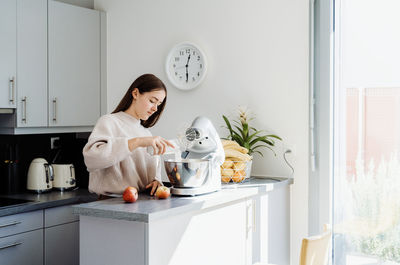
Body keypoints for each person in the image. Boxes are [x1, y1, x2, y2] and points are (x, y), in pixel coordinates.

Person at [82, 74, 174, 199]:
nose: (155, 108)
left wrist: (156, 181)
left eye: (158, 104)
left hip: (141, 200)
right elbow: (91, 159)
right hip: (110, 203)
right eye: (152, 101)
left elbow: (152, 170)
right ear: (135, 93)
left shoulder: (146, 133)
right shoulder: (109, 122)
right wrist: (137, 142)